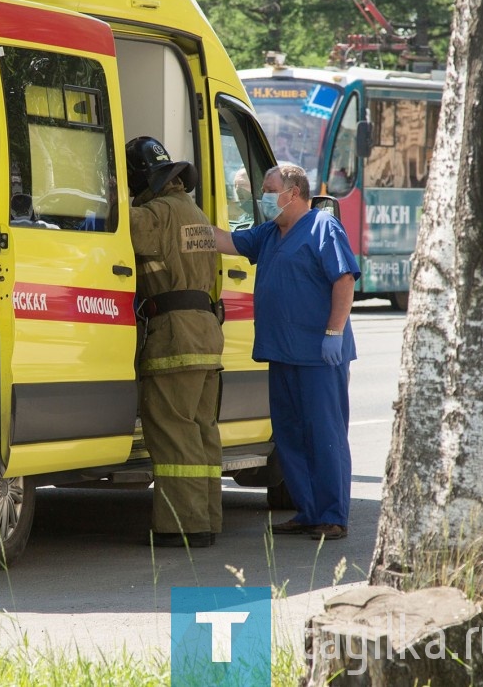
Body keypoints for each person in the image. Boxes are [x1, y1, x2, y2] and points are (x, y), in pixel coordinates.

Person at [211, 163, 358, 541]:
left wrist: (334, 332)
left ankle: (332, 515)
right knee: (290, 435)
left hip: (319, 354)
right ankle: (308, 511)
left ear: (293, 193)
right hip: (282, 353)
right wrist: (183, 216)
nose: (262, 195)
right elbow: (225, 240)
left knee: (324, 434)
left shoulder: (323, 226)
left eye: (268, 188)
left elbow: (343, 280)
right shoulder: (271, 233)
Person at [126, 136, 224, 549]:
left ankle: (182, 526)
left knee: (173, 432)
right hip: (206, 333)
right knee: (202, 431)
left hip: (174, 337)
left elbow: (114, 224)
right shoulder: (196, 214)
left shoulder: (155, 214)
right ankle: (206, 518)